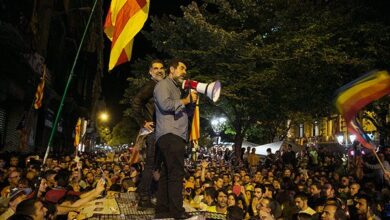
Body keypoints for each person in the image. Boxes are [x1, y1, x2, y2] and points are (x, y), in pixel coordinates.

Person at [153, 59, 197, 219]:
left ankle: (162, 210)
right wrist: (185, 100)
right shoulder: (163, 85)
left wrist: (191, 103)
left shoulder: (176, 89)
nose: (184, 72)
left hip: (173, 135)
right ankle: (177, 212)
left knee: (167, 174)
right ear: (172, 69)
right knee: (176, 174)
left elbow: (184, 112)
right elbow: (165, 104)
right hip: (171, 135)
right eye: (181, 68)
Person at [132, 59, 166, 209]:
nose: (159, 70)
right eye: (155, 68)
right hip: (154, 132)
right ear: (150, 72)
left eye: (161, 68)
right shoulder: (151, 85)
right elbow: (136, 101)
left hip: (161, 131)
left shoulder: (161, 86)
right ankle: (144, 198)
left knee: (156, 165)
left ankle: (146, 193)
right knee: (151, 165)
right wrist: (143, 121)